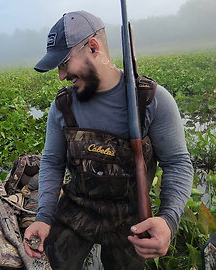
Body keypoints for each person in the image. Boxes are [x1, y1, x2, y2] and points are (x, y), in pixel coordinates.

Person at [23, 11, 193, 270]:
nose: (61, 75)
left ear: (93, 47)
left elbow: (178, 163)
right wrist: (44, 217)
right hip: (76, 210)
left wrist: (168, 220)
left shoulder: (151, 101)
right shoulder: (62, 107)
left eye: (64, 63)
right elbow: (52, 162)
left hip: (131, 220)